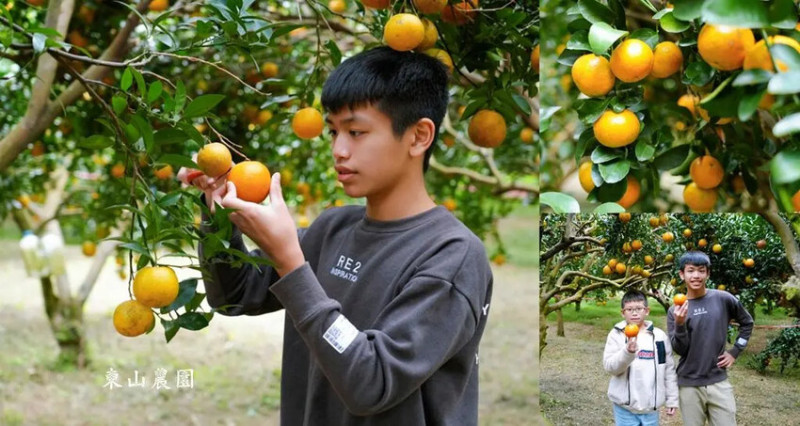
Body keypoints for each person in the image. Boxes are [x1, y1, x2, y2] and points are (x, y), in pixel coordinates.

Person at [179, 46, 493, 425]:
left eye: (356, 132)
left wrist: (290, 262)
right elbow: (233, 295)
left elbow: (372, 382)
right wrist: (218, 212)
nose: (338, 150)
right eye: (333, 131)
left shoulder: (452, 257)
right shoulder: (332, 230)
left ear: (418, 136)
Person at [667, 251, 754, 426]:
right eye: (691, 271)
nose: (696, 275)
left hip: (718, 381)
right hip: (689, 384)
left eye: (701, 270)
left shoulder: (723, 299)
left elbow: (747, 322)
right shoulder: (675, 310)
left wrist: (735, 351)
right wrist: (680, 323)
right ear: (682, 274)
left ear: (708, 273)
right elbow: (680, 349)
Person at [603, 290, 679, 425]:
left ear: (647, 311)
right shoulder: (617, 334)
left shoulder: (659, 337)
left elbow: (668, 369)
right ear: (622, 312)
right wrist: (627, 352)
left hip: (650, 409)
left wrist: (672, 399)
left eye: (639, 308)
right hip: (624, 408)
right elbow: (610, 367)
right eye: (629, 309)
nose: (634, 313)